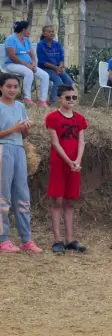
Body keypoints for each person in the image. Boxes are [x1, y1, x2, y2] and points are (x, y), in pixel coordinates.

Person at [0, 73, 41, 253]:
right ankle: (3, 239)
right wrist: (15, 129)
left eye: (15, 86)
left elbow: (23, 135)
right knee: (3, 195)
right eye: (8, 86)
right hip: (3, 150)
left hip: (19, 150)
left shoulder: (20, 106)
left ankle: (26, 239)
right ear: (1, 87)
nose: (12, 90)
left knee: (22, 195)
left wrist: (25, 129)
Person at [45, 85, 87, 254]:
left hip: (74, 165)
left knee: (70, 201)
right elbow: (55, 142)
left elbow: (81, 142)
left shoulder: (80, 119)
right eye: (67, 97)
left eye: (74, 98)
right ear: (59, 99)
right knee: (57, 201)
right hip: (59, 163)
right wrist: (69, 161)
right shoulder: (52, 117)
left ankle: (70, 239)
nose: (71, 101)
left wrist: (77, 160)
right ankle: (57, 239)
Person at [4, 21, 49, 107]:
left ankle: (42, 101)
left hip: (29, 65)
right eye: (29, 30)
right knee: (29, 72)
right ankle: (27, 98)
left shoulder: (26, 39)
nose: (30, 32)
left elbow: (32, 54)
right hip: (11, 65)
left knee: (45, 75)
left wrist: (34, 64)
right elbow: (12, 56)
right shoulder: (11, 39)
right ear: (23, 30)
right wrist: (27, 66)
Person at [36, 25, 73, 101]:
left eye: (52, 31)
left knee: (69, 81)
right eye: (49, 32)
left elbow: (61, 58)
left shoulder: (57, 44)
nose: (51, 33)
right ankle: (53, 101)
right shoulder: (40, 45)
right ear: (44, 33)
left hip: (57, 68)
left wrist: (60, 67)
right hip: (45, 68)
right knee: (58, 81)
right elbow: (44, 62)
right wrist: (56, 68)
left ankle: (63, 99)